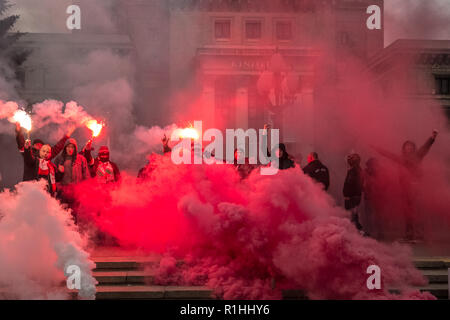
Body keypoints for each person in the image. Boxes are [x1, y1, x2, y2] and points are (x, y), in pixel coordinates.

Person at [372, 130, 438, 241]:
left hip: (415, 188)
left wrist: (432, 138)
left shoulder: (418, 155)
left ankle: (418, 234)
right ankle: (409, 235)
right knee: (407, 212)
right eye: (406, 146)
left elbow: (425, 147)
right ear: (404, 148)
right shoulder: (401, 158)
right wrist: (377, 148)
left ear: (413, 148)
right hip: (406, 189)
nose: (408, 148)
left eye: (410, 146)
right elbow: (389, 155)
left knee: (415, 211)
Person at [343, 153, 365, 233]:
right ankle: (357, 232)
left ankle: (358, 232)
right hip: (356, 196)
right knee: (354, 215)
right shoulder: (359, 170)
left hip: (352, 197)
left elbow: (349, 183)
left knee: (353, 216)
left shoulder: (353, 171)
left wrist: (347, 195)